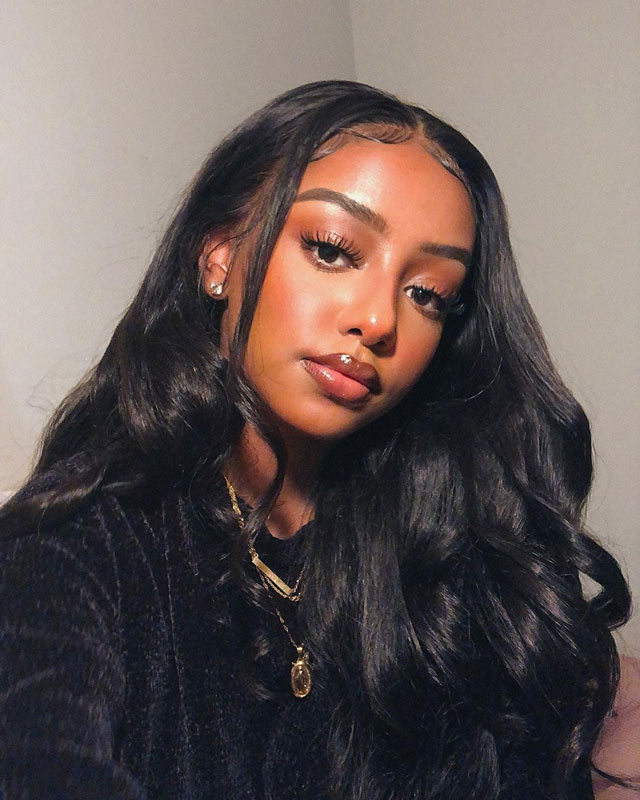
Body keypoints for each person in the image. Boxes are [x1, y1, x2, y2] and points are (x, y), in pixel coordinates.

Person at [0, 79, 636, 799]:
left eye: (428, 294)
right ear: (220, 255)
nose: (379, 320)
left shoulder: (453, 550)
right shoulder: (73, 552)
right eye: (333, 249)